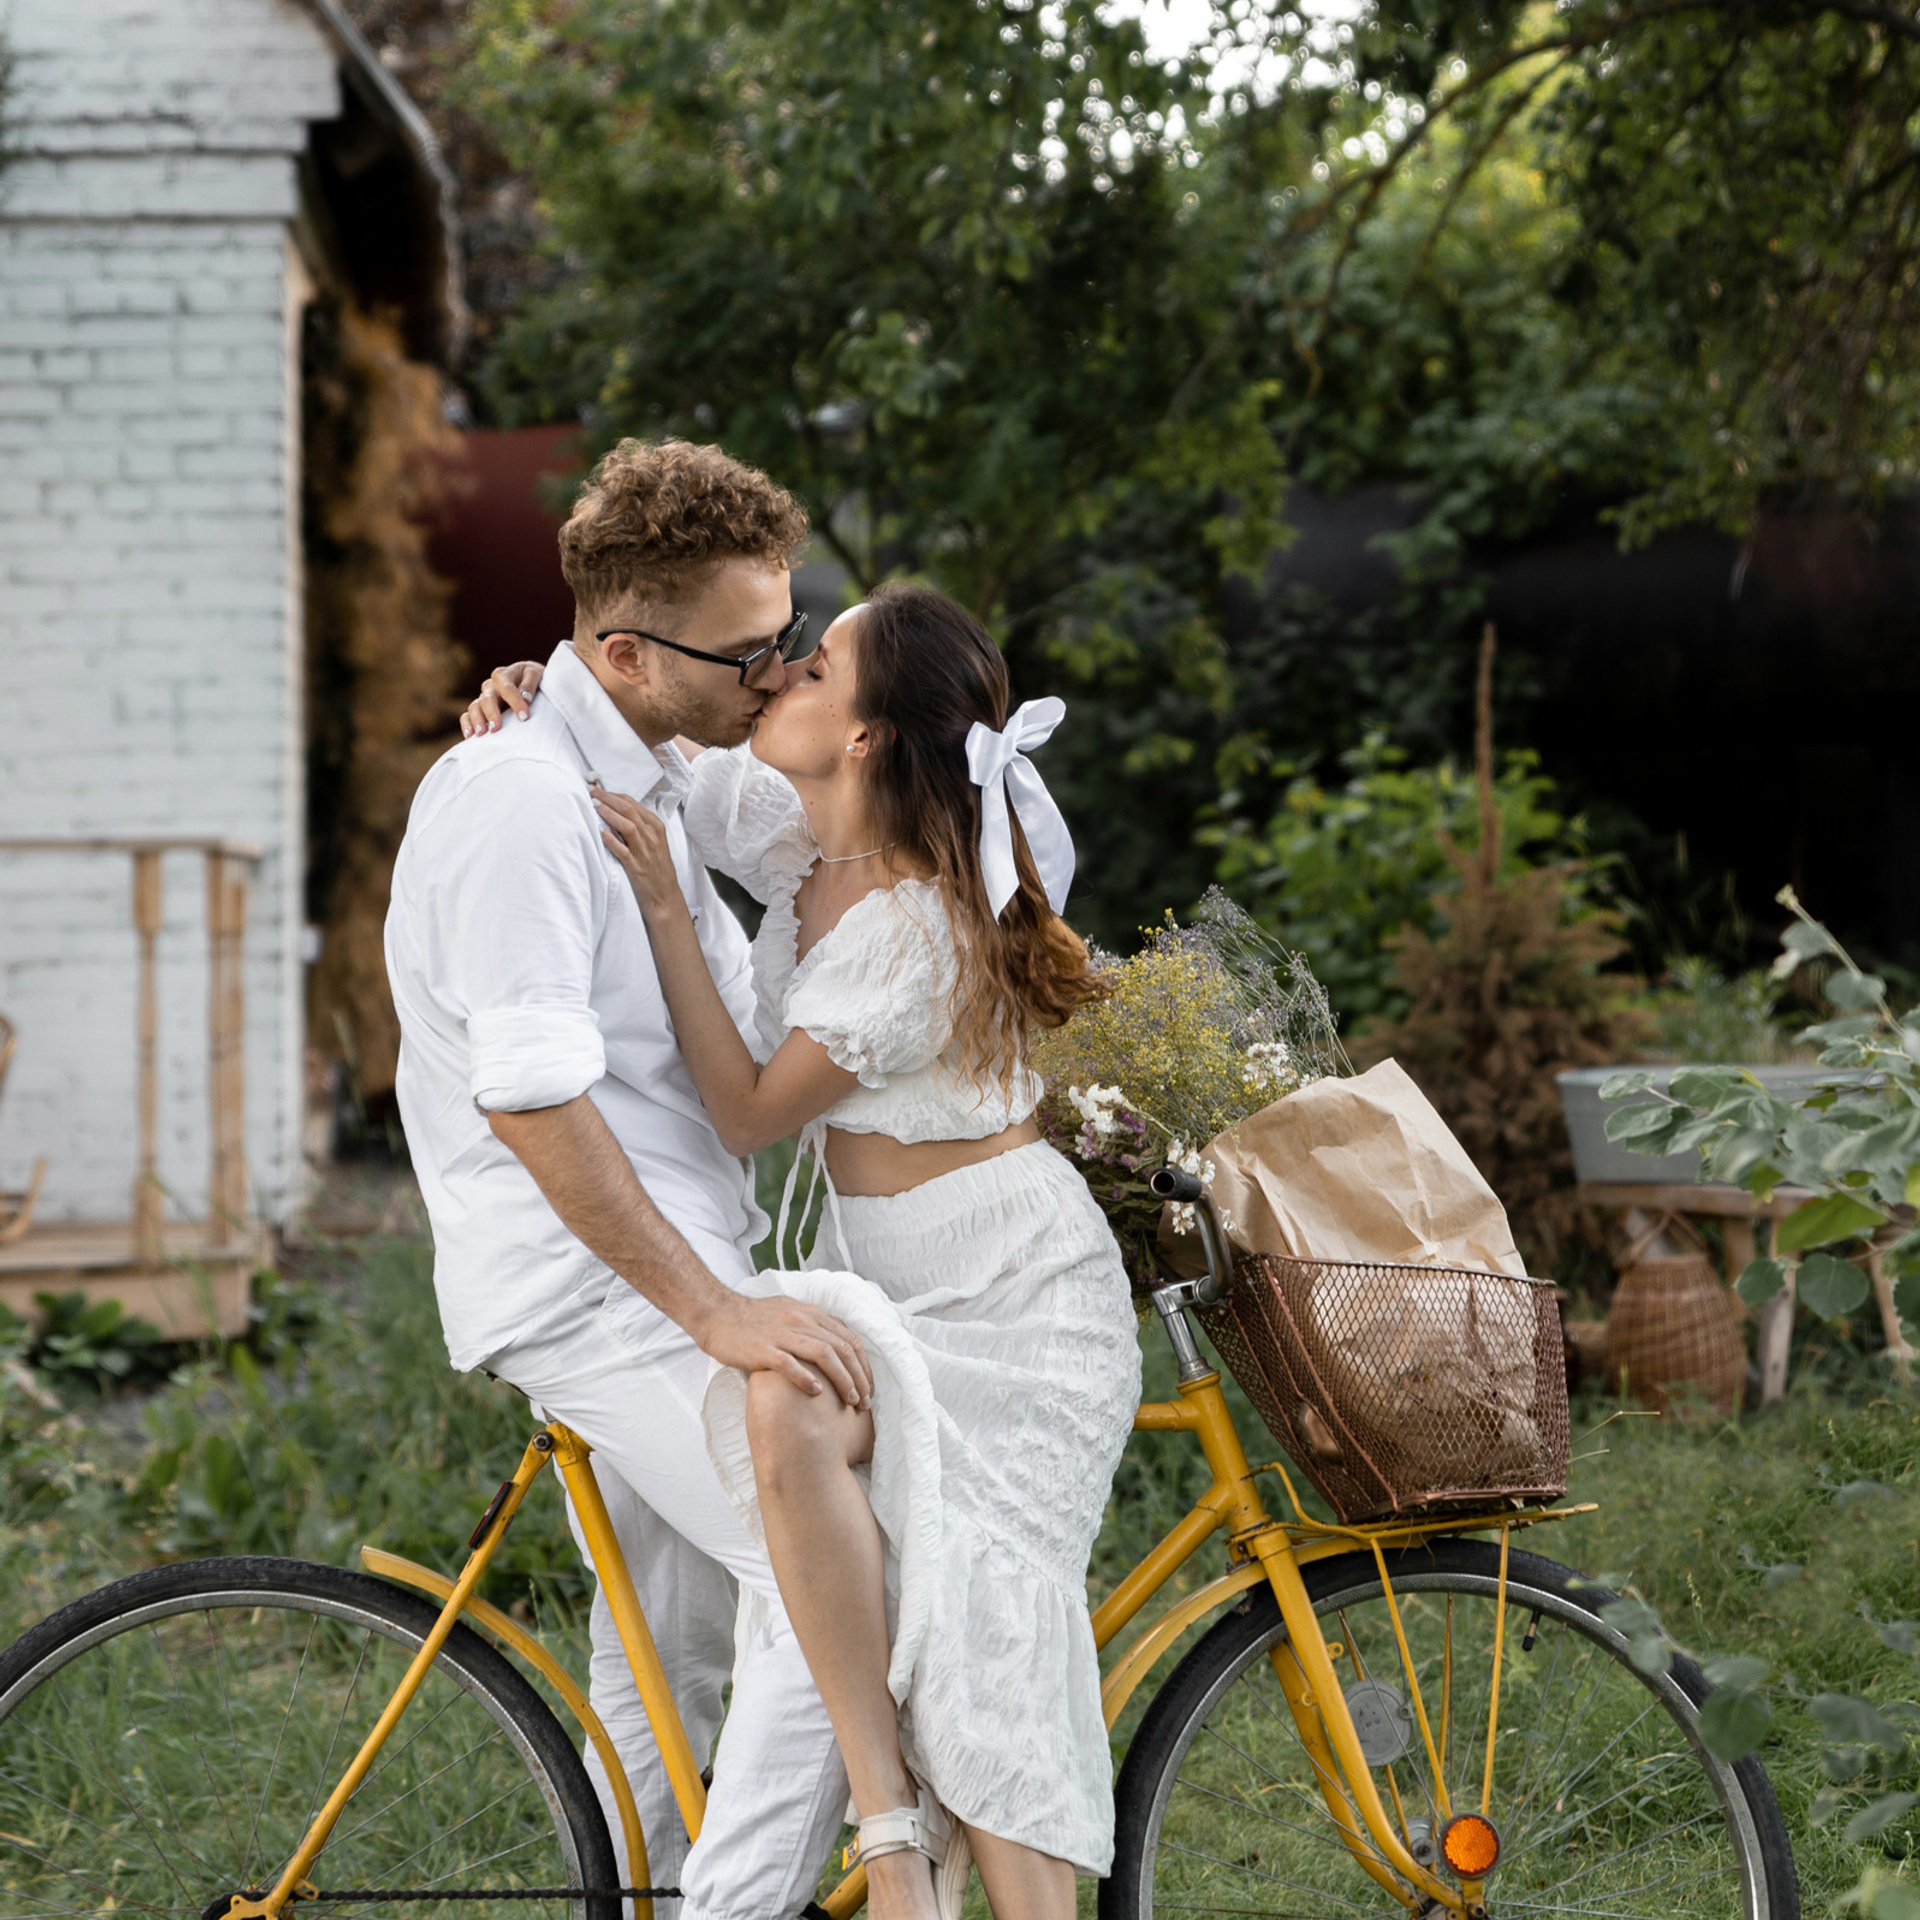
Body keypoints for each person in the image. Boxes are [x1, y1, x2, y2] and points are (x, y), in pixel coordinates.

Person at [465, 583, 1143, 1920]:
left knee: (981, 1634)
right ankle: (889, 1835)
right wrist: (538, 698)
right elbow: (656, 742)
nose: (775, 674)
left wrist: (667, 917)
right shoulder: (803, 839)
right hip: (886, 1268)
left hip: (1011, 1293)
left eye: (814, 665)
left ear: (869, 738)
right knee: (790, 1420)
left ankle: (946, 1875)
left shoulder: (917, 924)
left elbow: (745, 1111)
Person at [387, 437, 873, 1920]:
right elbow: (533, 1102)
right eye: (751, 652)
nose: (777, 674)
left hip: (670, 1263)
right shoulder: (522, 801)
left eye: (789, 636)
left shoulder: (659, 760)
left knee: (669, 1659)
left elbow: (873, 815)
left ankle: (645, 1896)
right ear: (625, 648)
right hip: (595, 1287)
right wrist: (714, 1314)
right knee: (837, 1592)